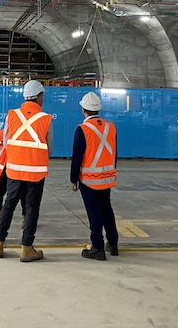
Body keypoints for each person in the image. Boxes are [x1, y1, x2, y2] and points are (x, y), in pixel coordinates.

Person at [0, 80, 53, 262]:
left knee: (9, 205)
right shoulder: (46, 119)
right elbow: (50, 149)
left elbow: (7, 141)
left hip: (14, 169)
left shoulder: (12, 115)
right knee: (32, 208)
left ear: (25, 97)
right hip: (36, 171)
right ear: (39, 97)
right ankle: (27, 248)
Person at [70, 92, 119, 260]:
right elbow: (114, 153)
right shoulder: (110, 127)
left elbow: (77, 157)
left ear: (83, 109)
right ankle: (113, 243)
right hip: (107, 177)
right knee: (106, 209)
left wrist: (73, 179)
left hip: (89, 179)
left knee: (94, 213)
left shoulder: (82, 129)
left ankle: (97, 247)